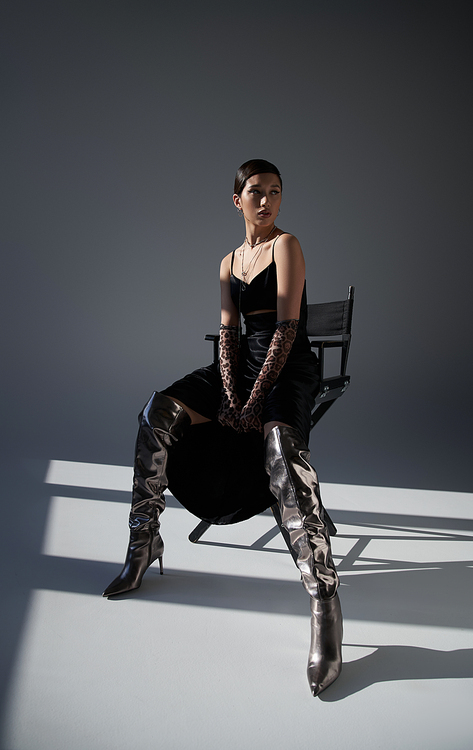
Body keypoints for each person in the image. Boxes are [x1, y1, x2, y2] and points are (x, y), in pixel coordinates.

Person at [103, 159, 343, 696]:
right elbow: (228, 336)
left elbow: (284, 332)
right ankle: (144, 543)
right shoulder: (227, 262)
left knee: (279, 448)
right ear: (237, 200)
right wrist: (231, 395)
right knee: (157, 412)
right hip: (239, 371)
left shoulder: (288, 246)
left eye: (275, 192)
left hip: (287, 371)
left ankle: (325, 602)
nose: (267, 201)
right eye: (256, 192)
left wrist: (254, 402)